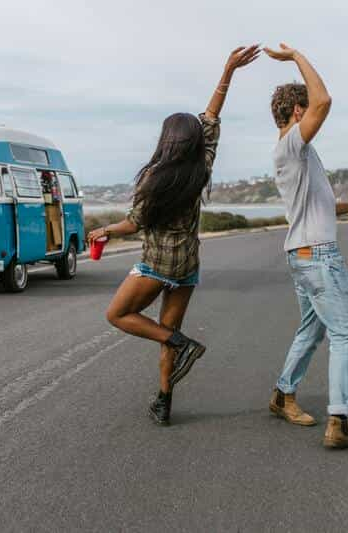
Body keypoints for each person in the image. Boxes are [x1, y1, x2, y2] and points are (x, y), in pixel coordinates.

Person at [87, 44, 261, 426]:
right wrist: (228, 71)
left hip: (156, 264)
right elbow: (212, 117)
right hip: (188, 265)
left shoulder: (154, 178)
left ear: (167, 140)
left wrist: (103, 229)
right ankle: (164, 403)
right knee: (167, 329)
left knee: (118, 315)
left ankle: (182, 345)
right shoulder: (202, 168)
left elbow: (133, 224)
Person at [263, 43, 348, 448]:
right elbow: (323, 100)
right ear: (296, 112)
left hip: (303, 254)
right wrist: (297, 57)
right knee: (345, 334)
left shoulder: (297, 154)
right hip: (319, 256)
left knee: (313, 329)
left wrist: (347, 206)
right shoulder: (292, 143)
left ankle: (282, 394)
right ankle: (338, 422)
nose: (314, 115)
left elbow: (312, 206)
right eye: (307, 110)